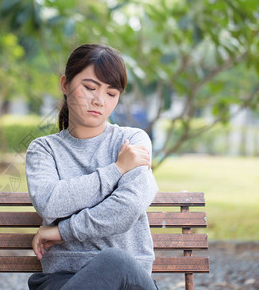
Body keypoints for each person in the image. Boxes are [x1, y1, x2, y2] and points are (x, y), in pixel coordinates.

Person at [25, 44, 159, 290]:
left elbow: (128, 207)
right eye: (89, 87)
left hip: (130, 282)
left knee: (116, 261)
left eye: (111, 93)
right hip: (62, 280)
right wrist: (117, 170)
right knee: (113, 260)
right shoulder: (44, 150)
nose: (99, 101)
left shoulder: (132, 141)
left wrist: (63, 231)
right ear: (65, 84)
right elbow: (50, 202)